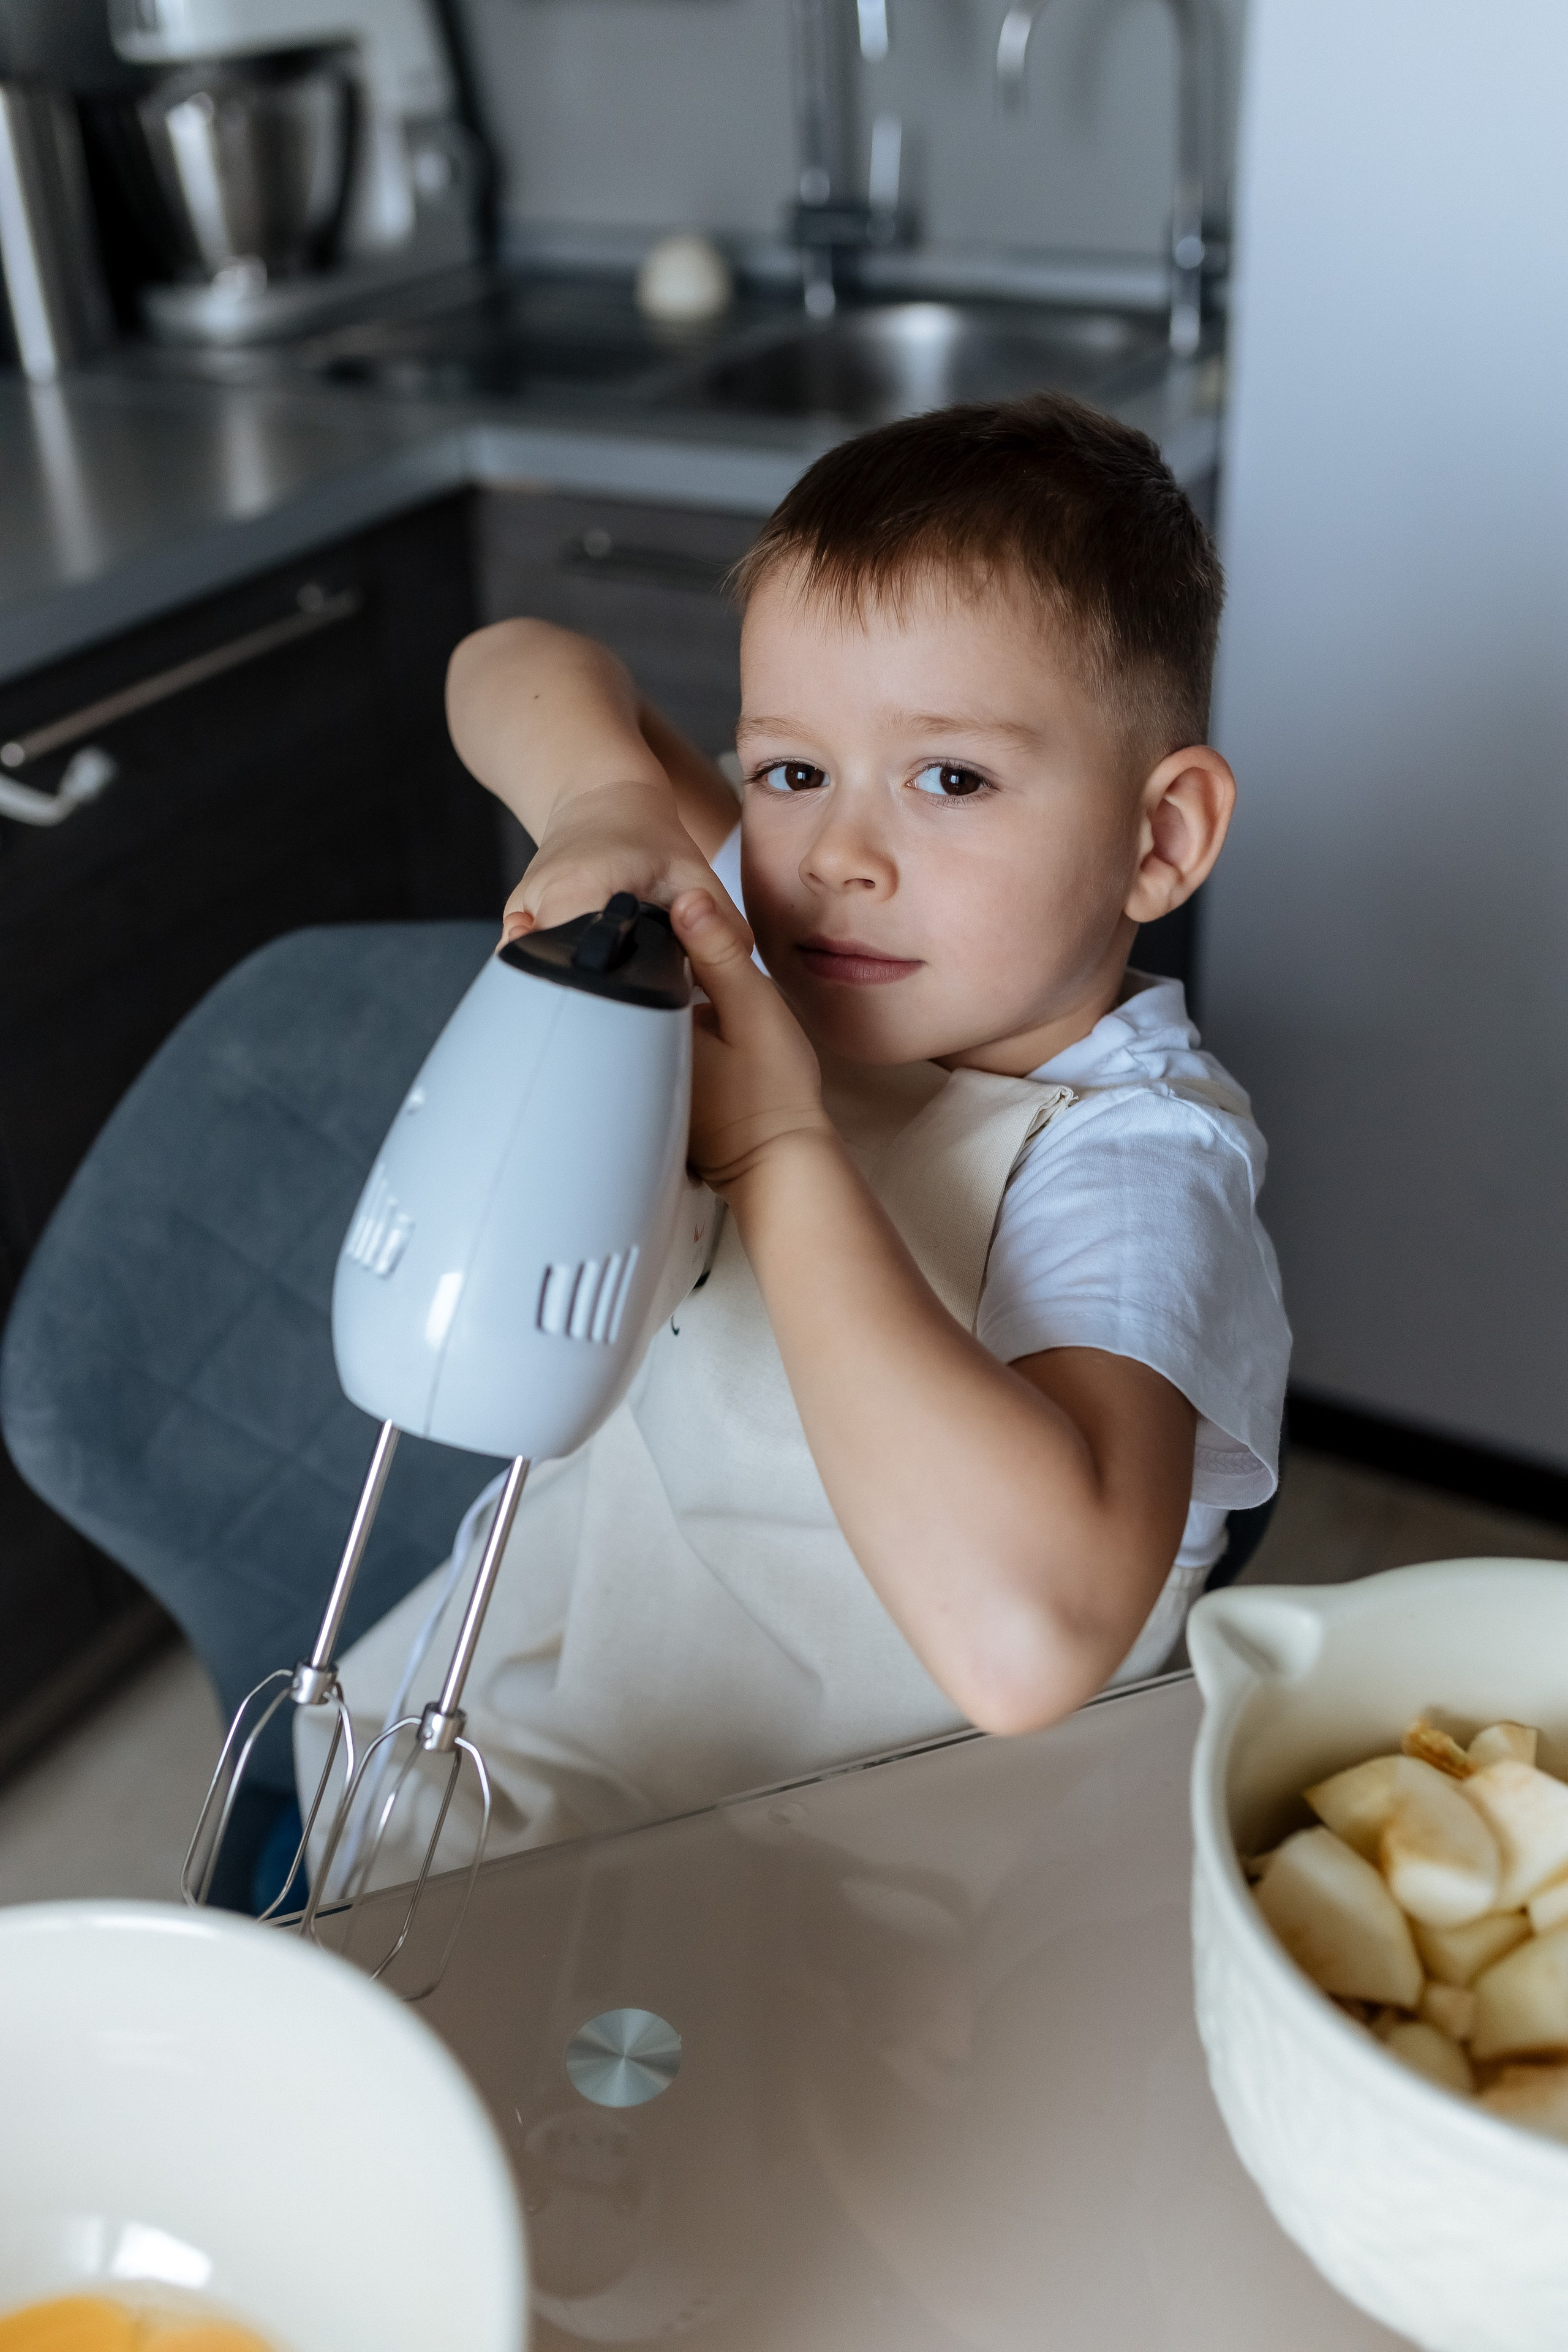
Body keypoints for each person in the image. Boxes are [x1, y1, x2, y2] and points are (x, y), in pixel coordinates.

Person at [305, 391, 1290, 1868]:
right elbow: (504, 659)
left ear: (1158, 839)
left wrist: (777, 1149)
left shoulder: (1132, 1164)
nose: (838, 854)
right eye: (789, 770)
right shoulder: (790, 934)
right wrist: (601, 802)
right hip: (551, 1749)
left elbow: (1028, 1649)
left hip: (880, 1885)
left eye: (949, 779)